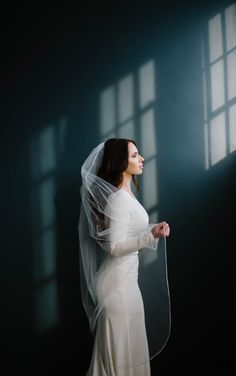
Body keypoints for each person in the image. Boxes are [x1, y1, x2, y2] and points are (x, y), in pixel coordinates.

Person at [78, 138, 171, 376]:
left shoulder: (125, 195)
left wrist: (152, 229)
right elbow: (115, 247)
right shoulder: (118, 199)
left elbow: (128, 230)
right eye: (134, 155)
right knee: (118, 356)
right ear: (119, 162)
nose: (141, 159)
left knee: (129, 349)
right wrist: (150, 234)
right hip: (116, 287)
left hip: (126, 282)